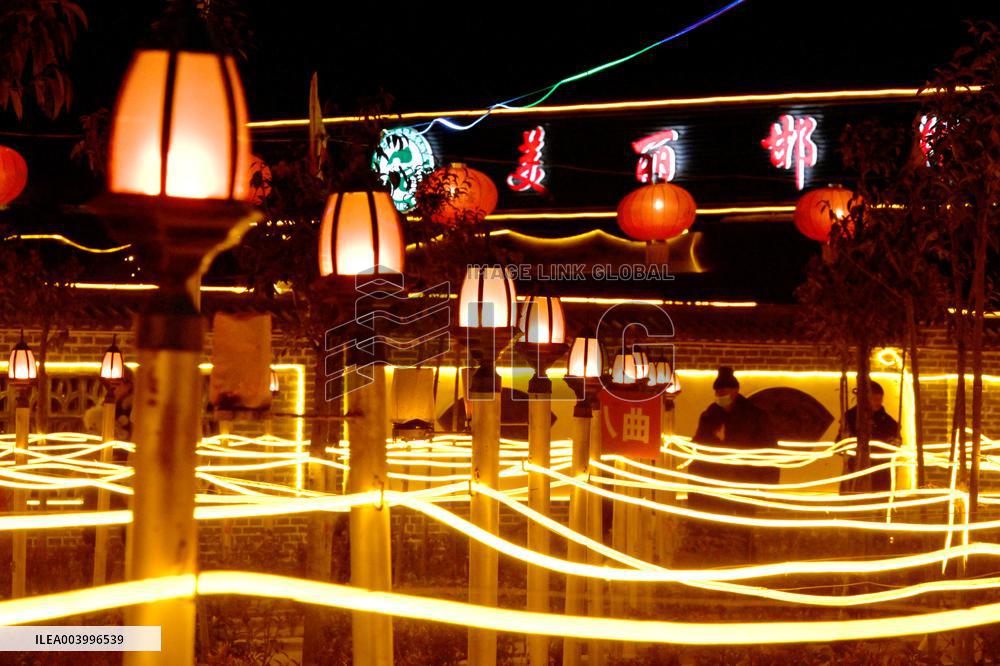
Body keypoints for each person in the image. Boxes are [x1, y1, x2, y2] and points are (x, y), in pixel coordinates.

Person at [688, 367, 778, 517]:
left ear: (735, 391)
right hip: (715, 485)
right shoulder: (710, 416)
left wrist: (767, 483)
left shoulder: (755, 417)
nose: (719, 396)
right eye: (717, 393)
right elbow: (699, 446)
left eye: (723, 393)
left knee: (742, 526)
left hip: (745, 483)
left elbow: (769, 447)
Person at [838, 381, 899, 492]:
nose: (878, 403)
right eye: (874, 399)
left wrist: (895, 444)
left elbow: (894, 448)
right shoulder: (850, 418)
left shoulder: (889, 423)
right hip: (855, 474)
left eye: (879, 400)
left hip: (879, 476)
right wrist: (845, 443)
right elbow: (838, 446)